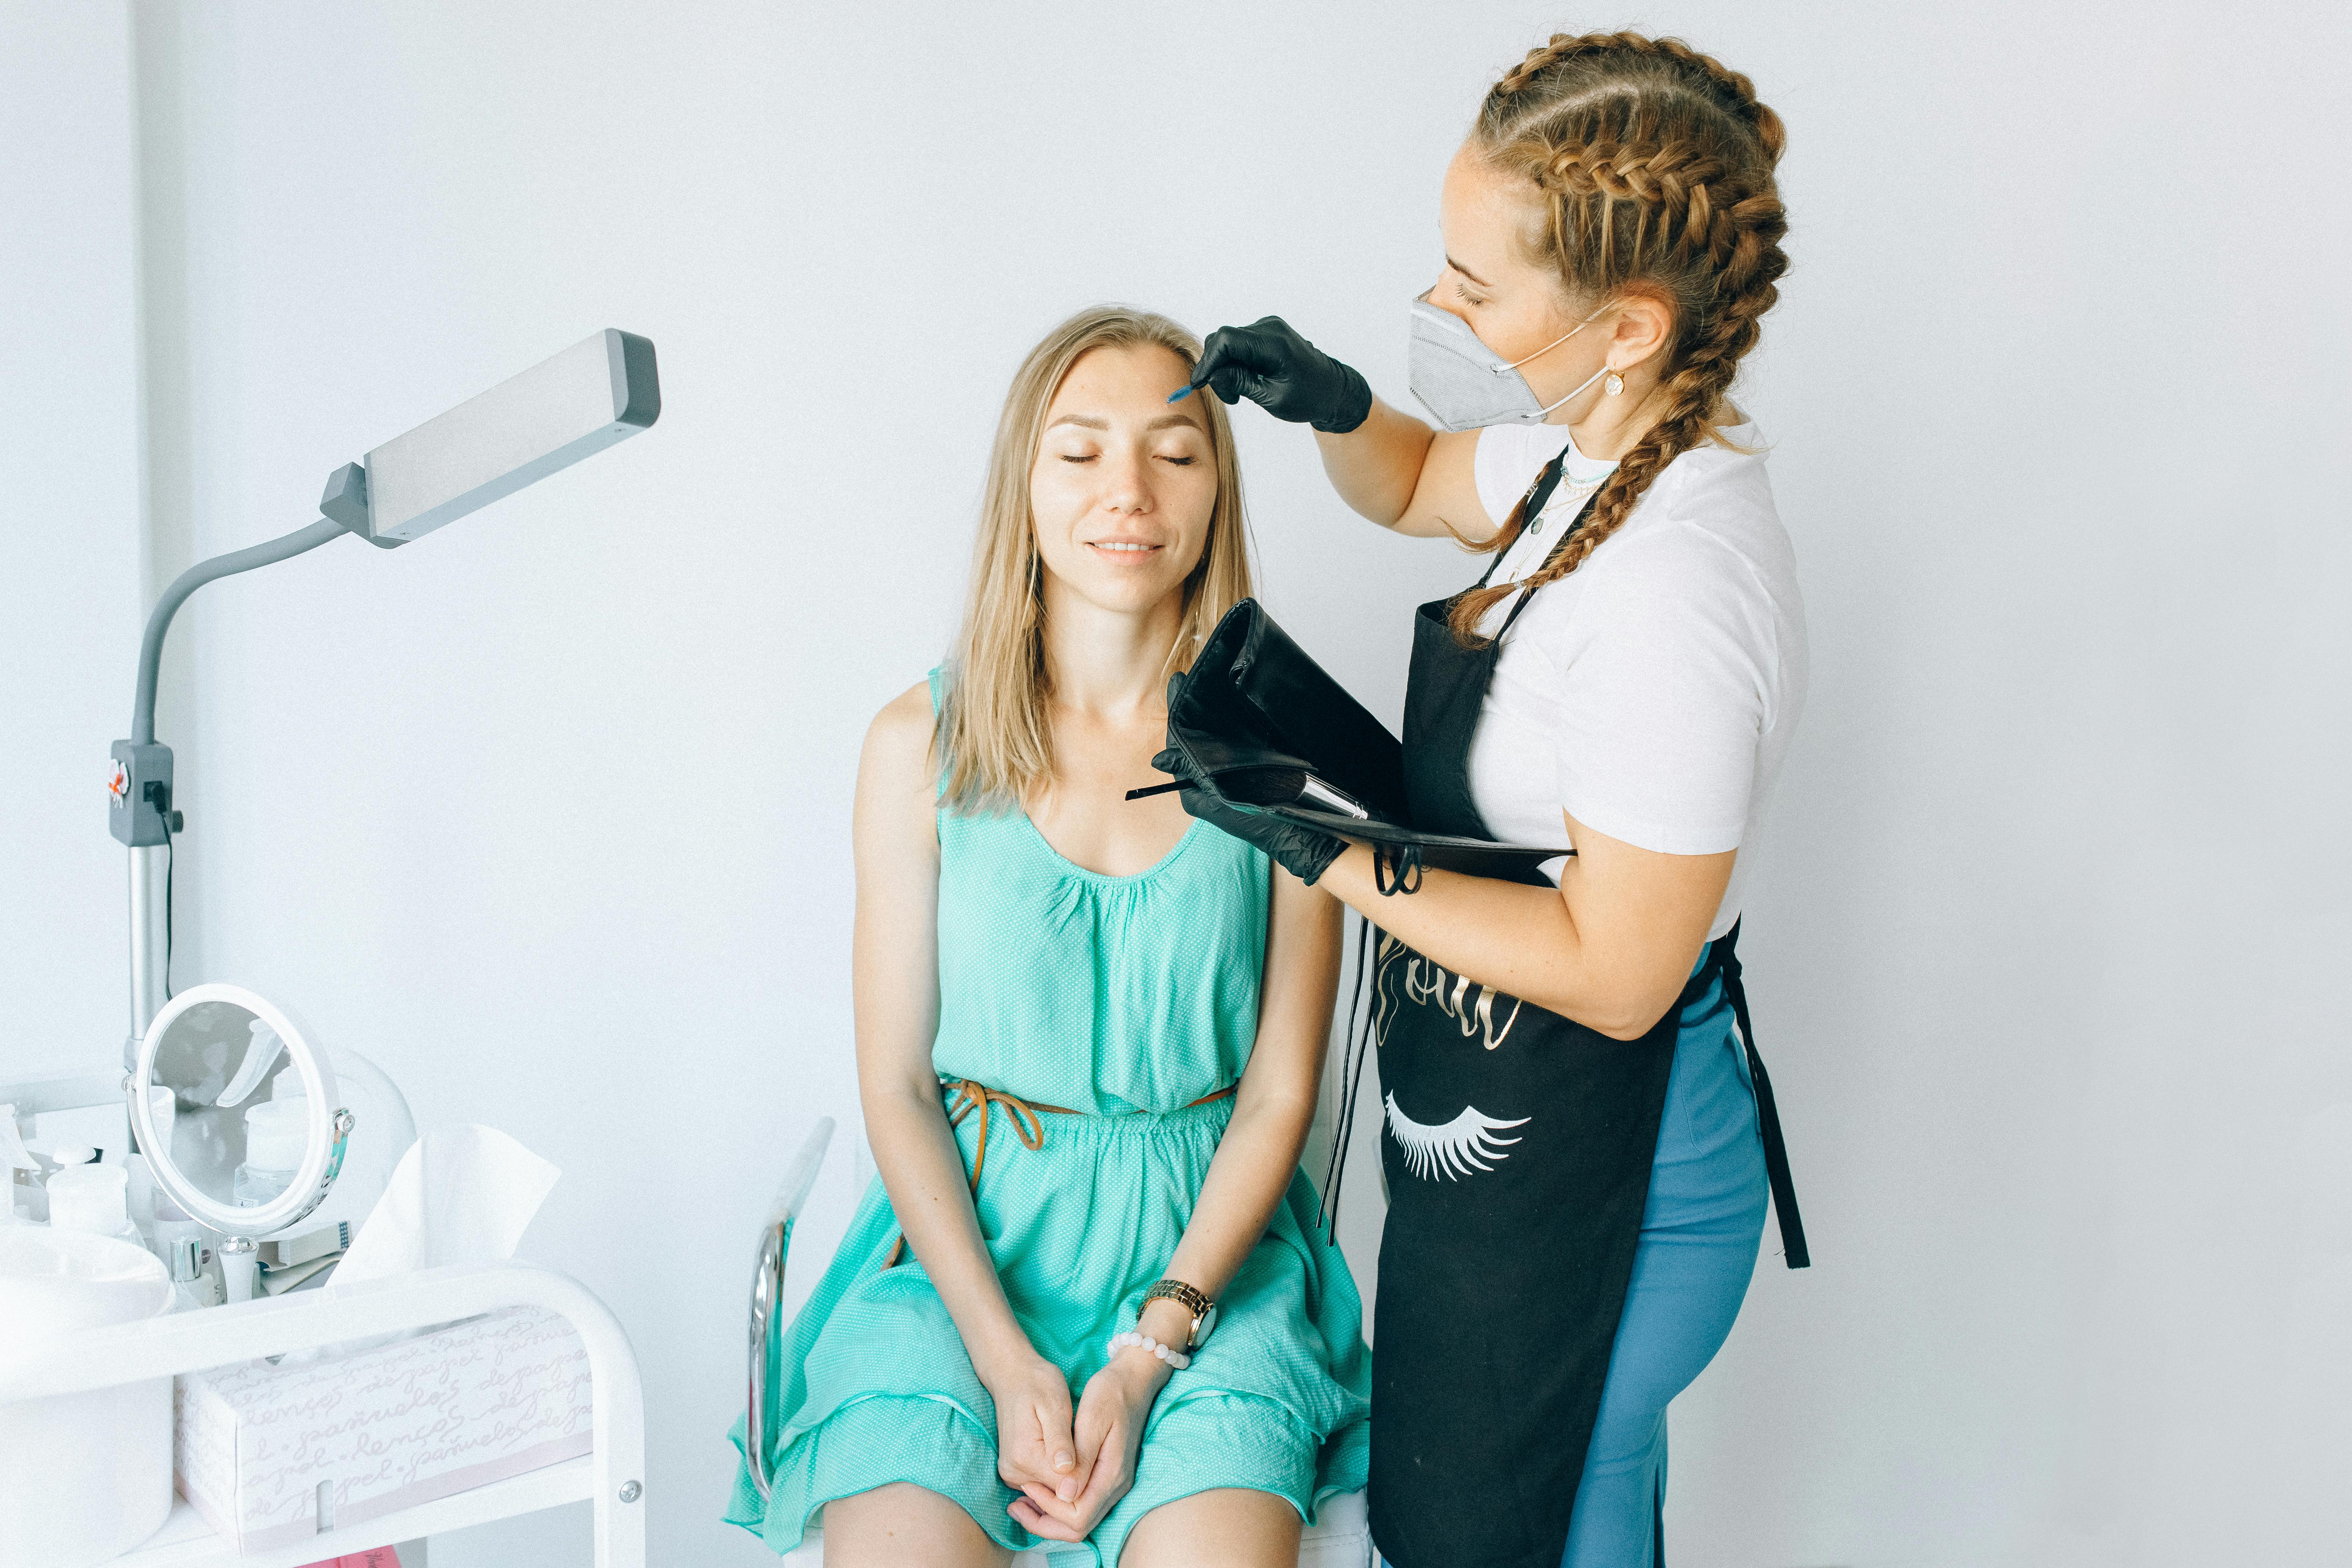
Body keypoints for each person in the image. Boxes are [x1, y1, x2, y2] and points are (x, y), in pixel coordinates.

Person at [1168, 33, 1809, 1568]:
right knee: (1462, 1520)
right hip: (1508, 1126)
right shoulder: (1590, 456)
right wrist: (1329, 406)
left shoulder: (1676, 594)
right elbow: (1412, 483)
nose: (1441, 307)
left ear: (1628, 323)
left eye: (1476, 283)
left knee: (1541, 1523)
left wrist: (1328, 858)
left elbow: (1614, 966)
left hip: (1619, 1168)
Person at [723, 305, 1372, 1568]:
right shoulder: (917, 746)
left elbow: (1280, 1090)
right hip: (964, 1264)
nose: (1126, 491)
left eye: (1173, 452)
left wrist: (1146, 1354)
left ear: (1214, 495)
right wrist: (1003, 1353)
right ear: (1023, 487)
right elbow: (899, 1088)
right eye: (1080, 452)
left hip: (1208, 1271)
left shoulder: (1286, 760)